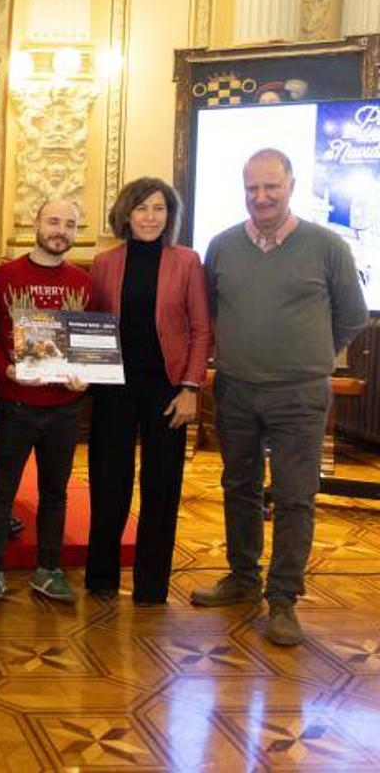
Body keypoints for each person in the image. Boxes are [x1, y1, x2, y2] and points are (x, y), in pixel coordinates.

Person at [192, 148, 367, 646]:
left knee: (295, 497)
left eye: (272, 187)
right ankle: (243, 578)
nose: (262, 197)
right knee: (238, 486)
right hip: (236, 390)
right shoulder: (222, 246)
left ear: (291, 185)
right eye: (253, 188)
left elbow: (352, 316)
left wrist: (313, 355)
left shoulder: (326, 245)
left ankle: (284, 597)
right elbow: (212, 314)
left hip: (300, 395)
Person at [86, 178, 211, 605]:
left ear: (169, 216)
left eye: (159, 209)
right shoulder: (104, 262)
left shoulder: (187, 261)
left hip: (168, 390)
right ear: (126, 213)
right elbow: (92, 324)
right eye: (142, 208)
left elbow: (201, 328)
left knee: (161, 487)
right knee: (108, 482)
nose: (151, 217)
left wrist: (192, 386)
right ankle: (101, 578)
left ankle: (151, 586)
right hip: (114, 388)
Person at [0, 199, 91, 604]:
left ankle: (49, 569)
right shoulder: (4, 276)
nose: (61, 230)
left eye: (70, 225)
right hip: (15, 406)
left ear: (77, 233)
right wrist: (4, 370)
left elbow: (90, 345)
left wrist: (86, 378)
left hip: (64, 410)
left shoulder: (83, 283)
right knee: (2, 491)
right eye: (54, 221)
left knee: (56, 494)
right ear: (36, 223)